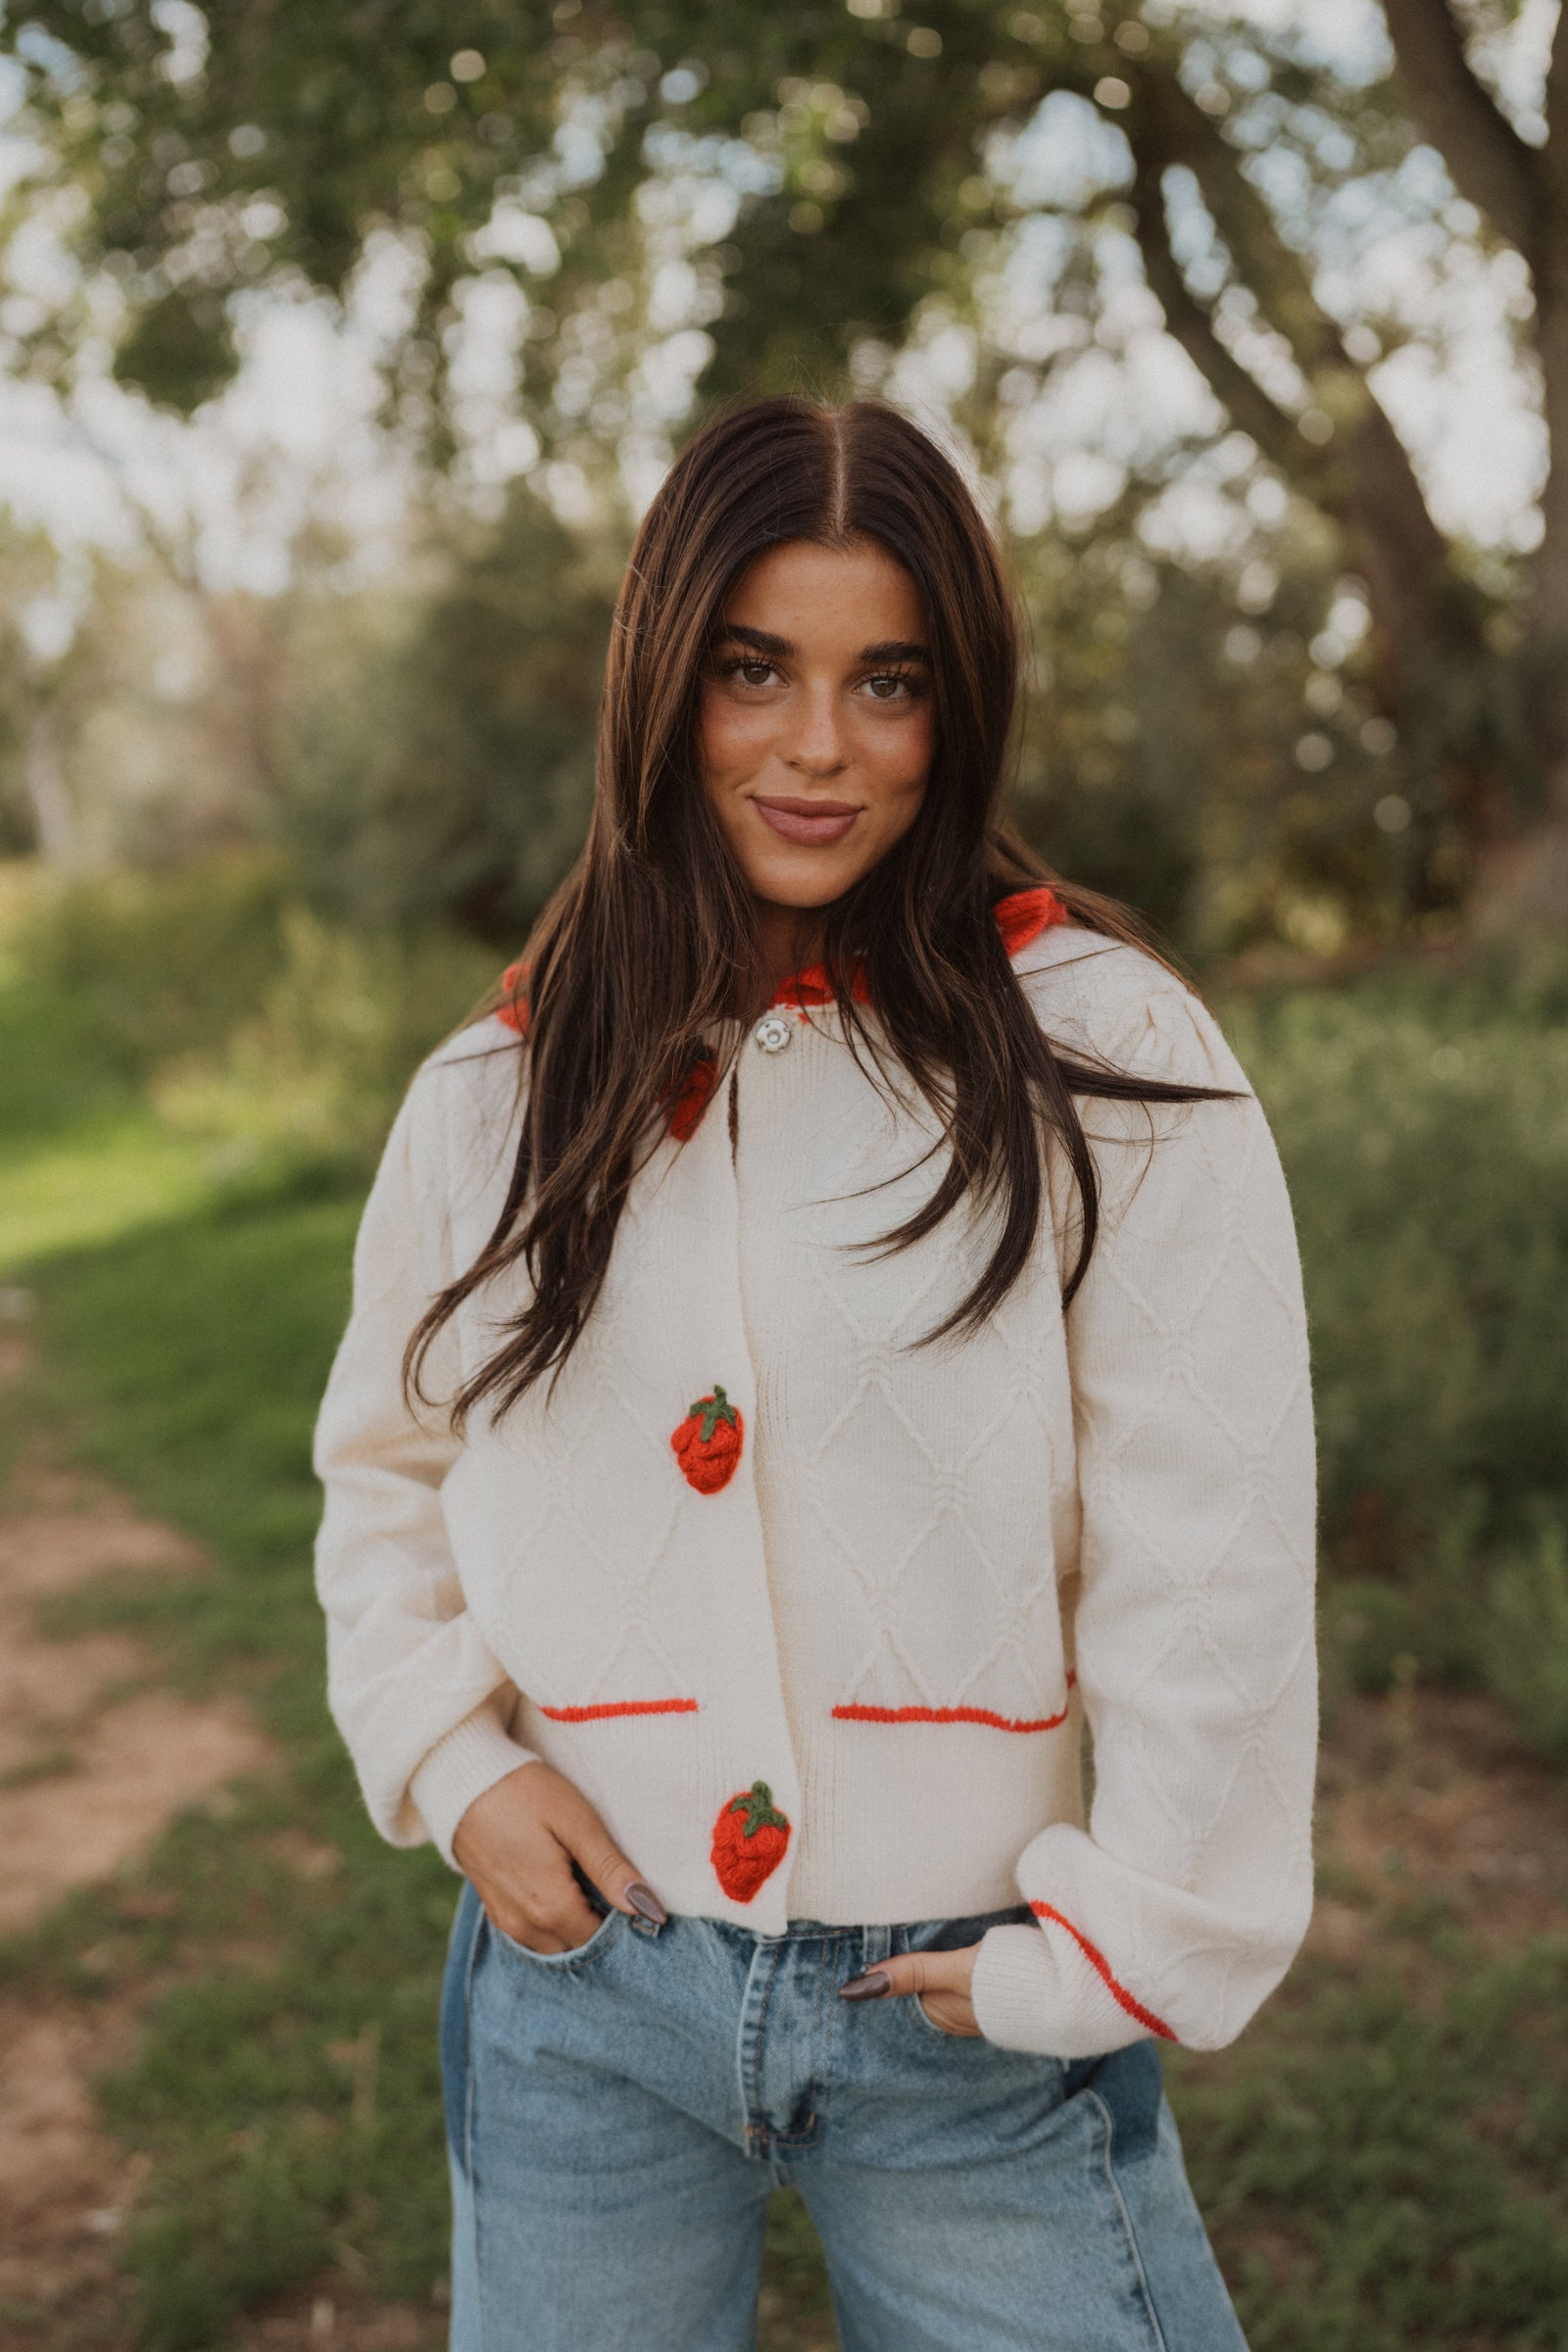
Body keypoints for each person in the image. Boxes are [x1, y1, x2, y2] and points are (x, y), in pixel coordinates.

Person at [313, 397, 1316, 2352]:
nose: (817, 749)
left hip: (967, 2008)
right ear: (661, 676)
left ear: (962, 709)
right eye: (751, 671)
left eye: (890, 682)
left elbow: (1210, 1530)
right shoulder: (496, 1089)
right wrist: (452, 1763)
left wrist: (1122, 1937)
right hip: (578, 1999)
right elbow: (386, 1465)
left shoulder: (1105, 1053)